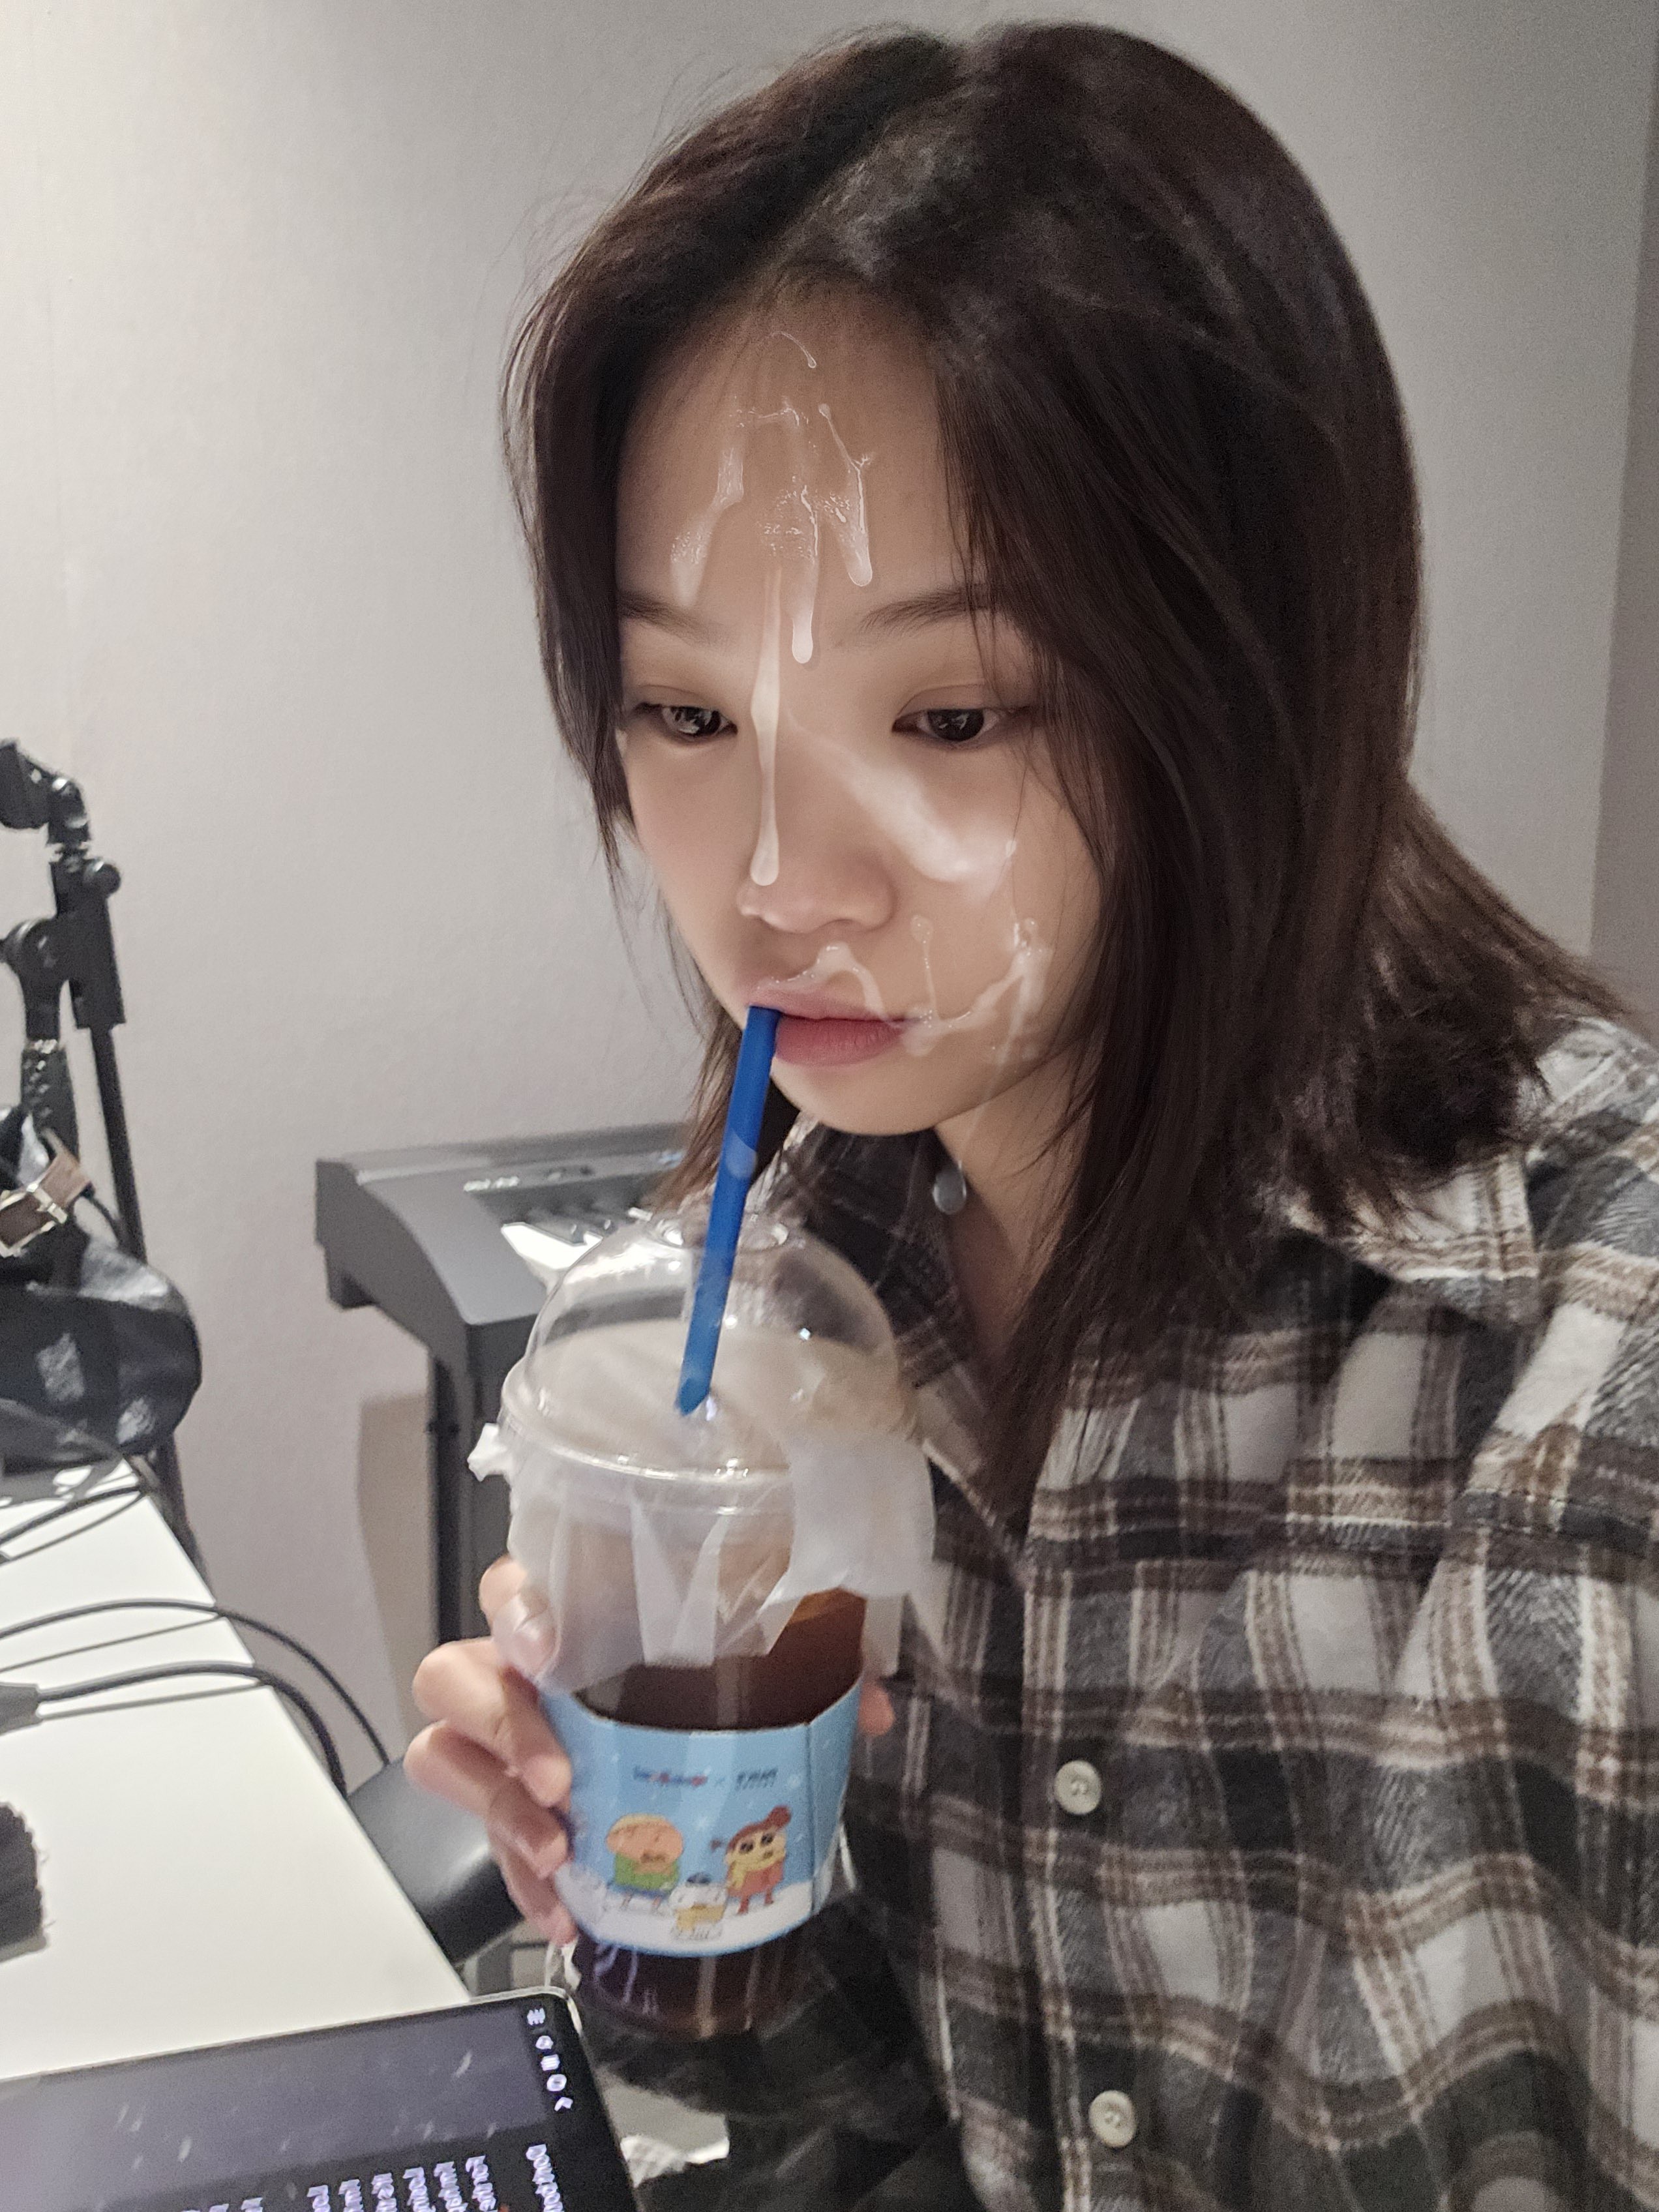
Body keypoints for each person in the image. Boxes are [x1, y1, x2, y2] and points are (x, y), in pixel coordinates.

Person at [404, 25, 1659, 2210]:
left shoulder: (1584, 1378)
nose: (775, 881)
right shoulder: (827, 1276)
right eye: (684, 709)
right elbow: (915, 2131)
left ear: (1248, 681)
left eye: (956, 713)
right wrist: (681, 1890)